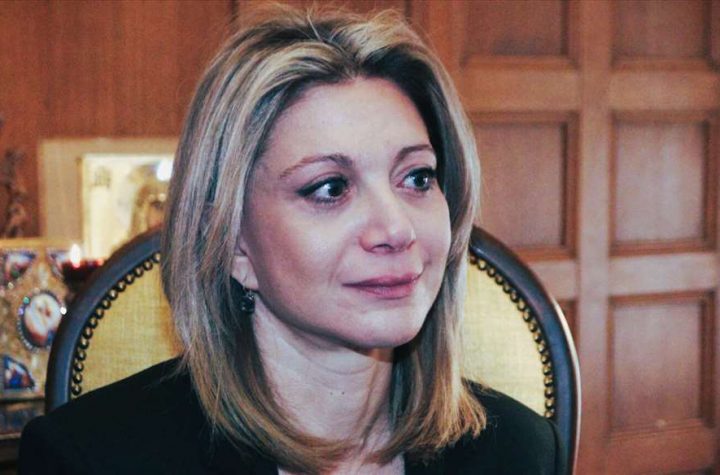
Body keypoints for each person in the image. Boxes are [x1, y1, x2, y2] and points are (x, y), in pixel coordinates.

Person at [19, 7, 566, 474]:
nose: (397, 229)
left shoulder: (518, 451)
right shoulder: (90, 458)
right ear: (233, 245)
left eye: (418, 178)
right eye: (330, 188)